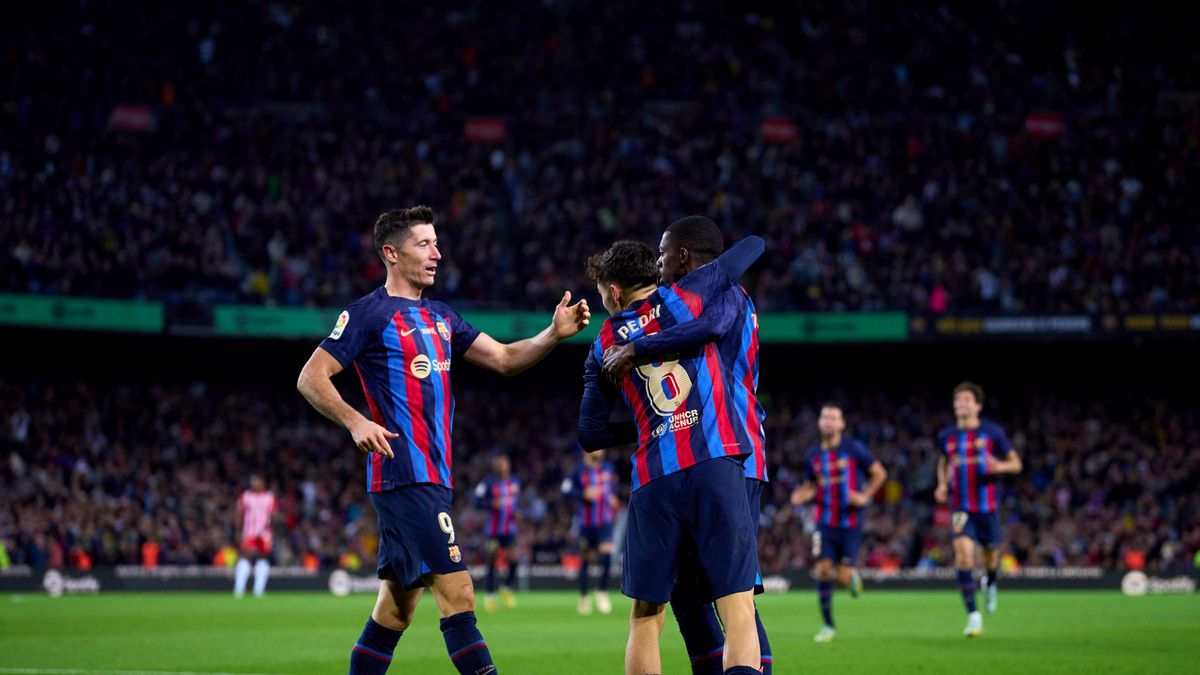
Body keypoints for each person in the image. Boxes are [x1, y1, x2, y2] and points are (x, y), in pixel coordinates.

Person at [296, 206, 590, 675]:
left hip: (433, 477)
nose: (437, 253)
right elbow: (311, 377)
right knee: (459, 593)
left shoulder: (441, 316)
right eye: (424, 244)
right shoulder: (368, 314)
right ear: (392, 253)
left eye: (436, 243)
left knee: (396, 610)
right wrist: (355, 421)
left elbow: (505, 359)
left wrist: (553, 334)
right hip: (404, 475)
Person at [578, 236, 764, 675]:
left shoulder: (603, 342)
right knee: (735, 606)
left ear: (614, 292)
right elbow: (752, 245)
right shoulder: (687, 297)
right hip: (714, 462)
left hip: (653, 478)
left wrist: (651, 424)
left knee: (645, 618)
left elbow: (590, 433)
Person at [791, 403, 887, 642]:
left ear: (842, 424)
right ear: (819, 422)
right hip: (824, 522)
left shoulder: (854, 449)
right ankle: (828, 626)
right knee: (823, 570)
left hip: (850, 523)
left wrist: (865, 496)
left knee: (843, 578)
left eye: (833, 418)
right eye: (825, 417)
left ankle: (851, 576)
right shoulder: (813, 454)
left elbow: (879, 473)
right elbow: (811, 485)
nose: (828, 422)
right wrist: (801, 494)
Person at [934, 381, 1022, 637]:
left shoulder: (992, 433)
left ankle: (990, 582)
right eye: (957, 400)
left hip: (987, 507)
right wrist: (942, 484)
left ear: (978, 406)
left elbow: (1016, 463)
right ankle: (973, 615)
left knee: (990, 556)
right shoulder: (947, 435)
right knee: (963, 555)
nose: (961, 404)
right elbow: (943, 460)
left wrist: (999, 467)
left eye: (966, 400)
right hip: (960, 507)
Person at [562, 448, 619, 615]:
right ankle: (584, 596)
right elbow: (565, 489)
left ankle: (601, 591)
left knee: (607, 554)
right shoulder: (577, 471)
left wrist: (613, 496)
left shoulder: (608, 468)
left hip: (605, 522)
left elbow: (614, 486)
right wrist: (582, 494)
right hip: (586, 523)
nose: (602, 450)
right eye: (598, 448)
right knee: (586, 559)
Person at [473, 453, 521, 611]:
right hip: (493, 530)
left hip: (510, 529)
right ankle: (490, 596)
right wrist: (491, 503)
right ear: (494, 466)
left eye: (504, 463)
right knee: (492, 561)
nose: (502, 466)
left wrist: (517, 512)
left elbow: (515, 502)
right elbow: (476, 502)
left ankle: (506, 587)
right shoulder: (487, 483)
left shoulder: (514, 481)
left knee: (514, 559)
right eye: (499, 464)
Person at [234, 474, 276, 598]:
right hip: (249, 532)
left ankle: (259, 590)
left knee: (262, 558)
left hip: (264, 534)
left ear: (262, 483)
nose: (253, 484)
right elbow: (240, 514)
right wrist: (238, 531)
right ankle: (239, 589)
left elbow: (273, 515)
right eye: (252, 481)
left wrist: (271, 532)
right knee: (245, 557)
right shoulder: (246, 496)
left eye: (256, 481)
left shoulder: (269, 497)